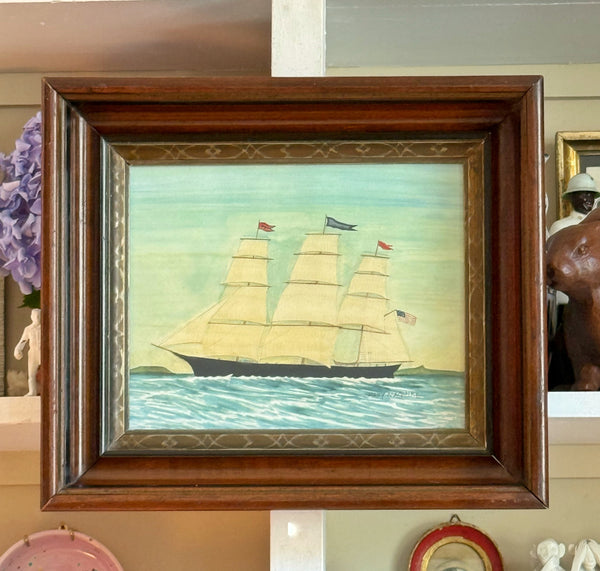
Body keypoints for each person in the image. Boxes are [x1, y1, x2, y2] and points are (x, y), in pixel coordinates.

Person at [14, 308, 41, 396]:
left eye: (39, 316)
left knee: (49, 372)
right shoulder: (28, 329)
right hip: (33, 353)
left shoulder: (45, 328)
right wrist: (18, 349)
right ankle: (32, 391)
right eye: (35, 316)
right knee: (31, 374)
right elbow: (23, 341)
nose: (37, 318)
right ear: (31, 317)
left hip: (44, 352)